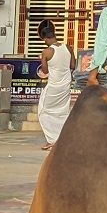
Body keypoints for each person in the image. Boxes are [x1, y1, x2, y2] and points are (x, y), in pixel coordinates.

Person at [37, 20, 72, 148]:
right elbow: (72, 65)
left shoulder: (46, 52)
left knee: (43, 112)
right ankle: (62, 139)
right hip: (66, 86)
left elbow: (45, 71)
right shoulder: (68, 47)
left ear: (45, 38)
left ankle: (52, 140)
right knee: (62, 112)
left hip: (53, 86)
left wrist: (42, 60)